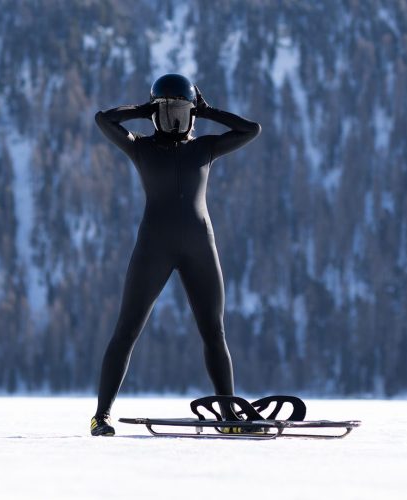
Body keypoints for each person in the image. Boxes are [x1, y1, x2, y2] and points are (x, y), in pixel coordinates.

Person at [90, 74, 261, 436]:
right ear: (154, 115)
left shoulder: (204, 148)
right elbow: (103, 120)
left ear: (192, 115)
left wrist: (209, 111)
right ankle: (101, 416)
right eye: (166, 113)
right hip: (155, 248)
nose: (174, 120)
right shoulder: (141, 147)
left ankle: (228, 414)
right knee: (127, 331)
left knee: (214, 332)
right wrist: (142, 109)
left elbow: (252, 129)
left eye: (181, 113)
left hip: (199, 247)